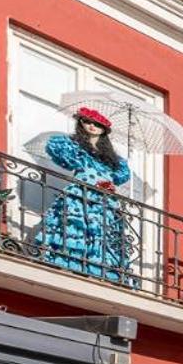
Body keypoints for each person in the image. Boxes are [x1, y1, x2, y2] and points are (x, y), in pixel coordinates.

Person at [36, 108, 134, 286]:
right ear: (81, 123)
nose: (92, 126)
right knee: (76, 227)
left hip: (104, 200)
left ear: (104, 130)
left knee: (100, 232)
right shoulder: (77, 147)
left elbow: (121, 175)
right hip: (82, 193)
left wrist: (109, 185)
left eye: (97, 124)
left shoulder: (113, 159)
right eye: (87, 122)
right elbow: (57, 148)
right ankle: (72, 263)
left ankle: (95, 268)